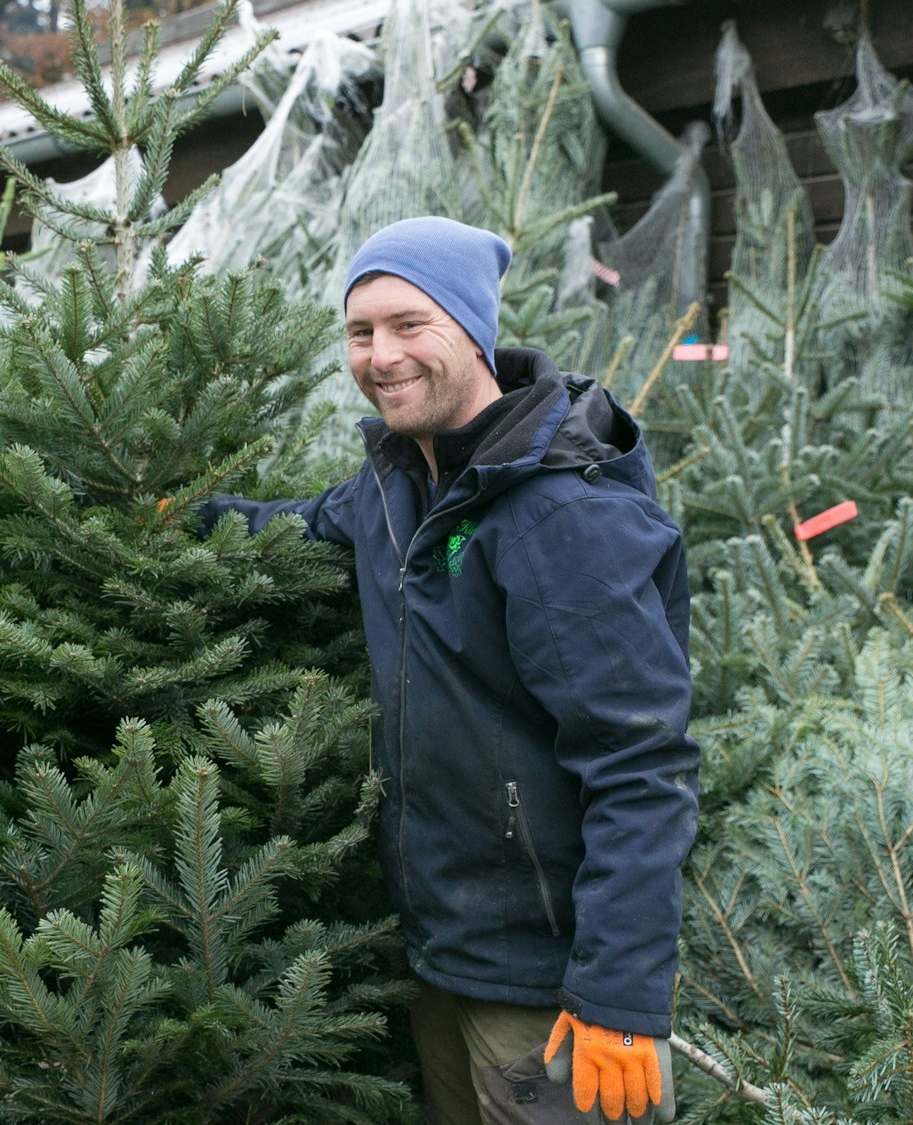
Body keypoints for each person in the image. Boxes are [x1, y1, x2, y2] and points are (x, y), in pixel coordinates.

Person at [201, 217, 698, 1124]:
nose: (380, 355)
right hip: (440, 950)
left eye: (409, 324)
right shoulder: (395, 487)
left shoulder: (559, 515)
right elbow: (294, 526)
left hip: (549, 988)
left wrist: (619, 1000)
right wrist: (162, 517)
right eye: (361, 332)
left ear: (472, 330)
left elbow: (641, 764)